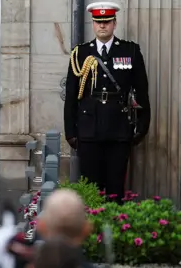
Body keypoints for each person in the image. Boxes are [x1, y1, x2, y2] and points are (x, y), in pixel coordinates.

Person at [63, 1, 150, 203]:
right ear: (93, 24)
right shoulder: (80, 53)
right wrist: (70, 131)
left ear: (114, 23)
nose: (103, 26)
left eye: (107, 21)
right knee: (90, 189)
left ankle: (114, 231)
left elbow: (142, 92)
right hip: (88, 130)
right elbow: (71, 95)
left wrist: (141, 128)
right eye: (98, 21)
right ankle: (93, 232)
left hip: (118, 129)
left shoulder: (130, 51)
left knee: (115, 188)